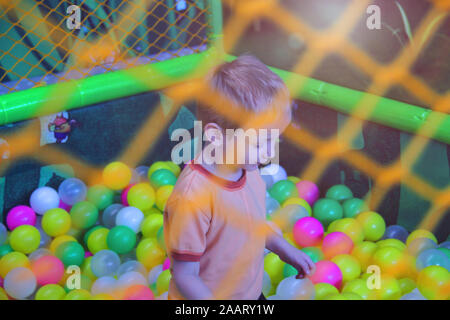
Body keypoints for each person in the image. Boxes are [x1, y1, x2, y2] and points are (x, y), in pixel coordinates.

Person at [164, 54, 315, 299]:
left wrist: (282, 246)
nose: (268, 153)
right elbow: (184, 276)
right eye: (259, 142)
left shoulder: (250, 170)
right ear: (215, 136)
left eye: (274, 140)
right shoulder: (193, 198)